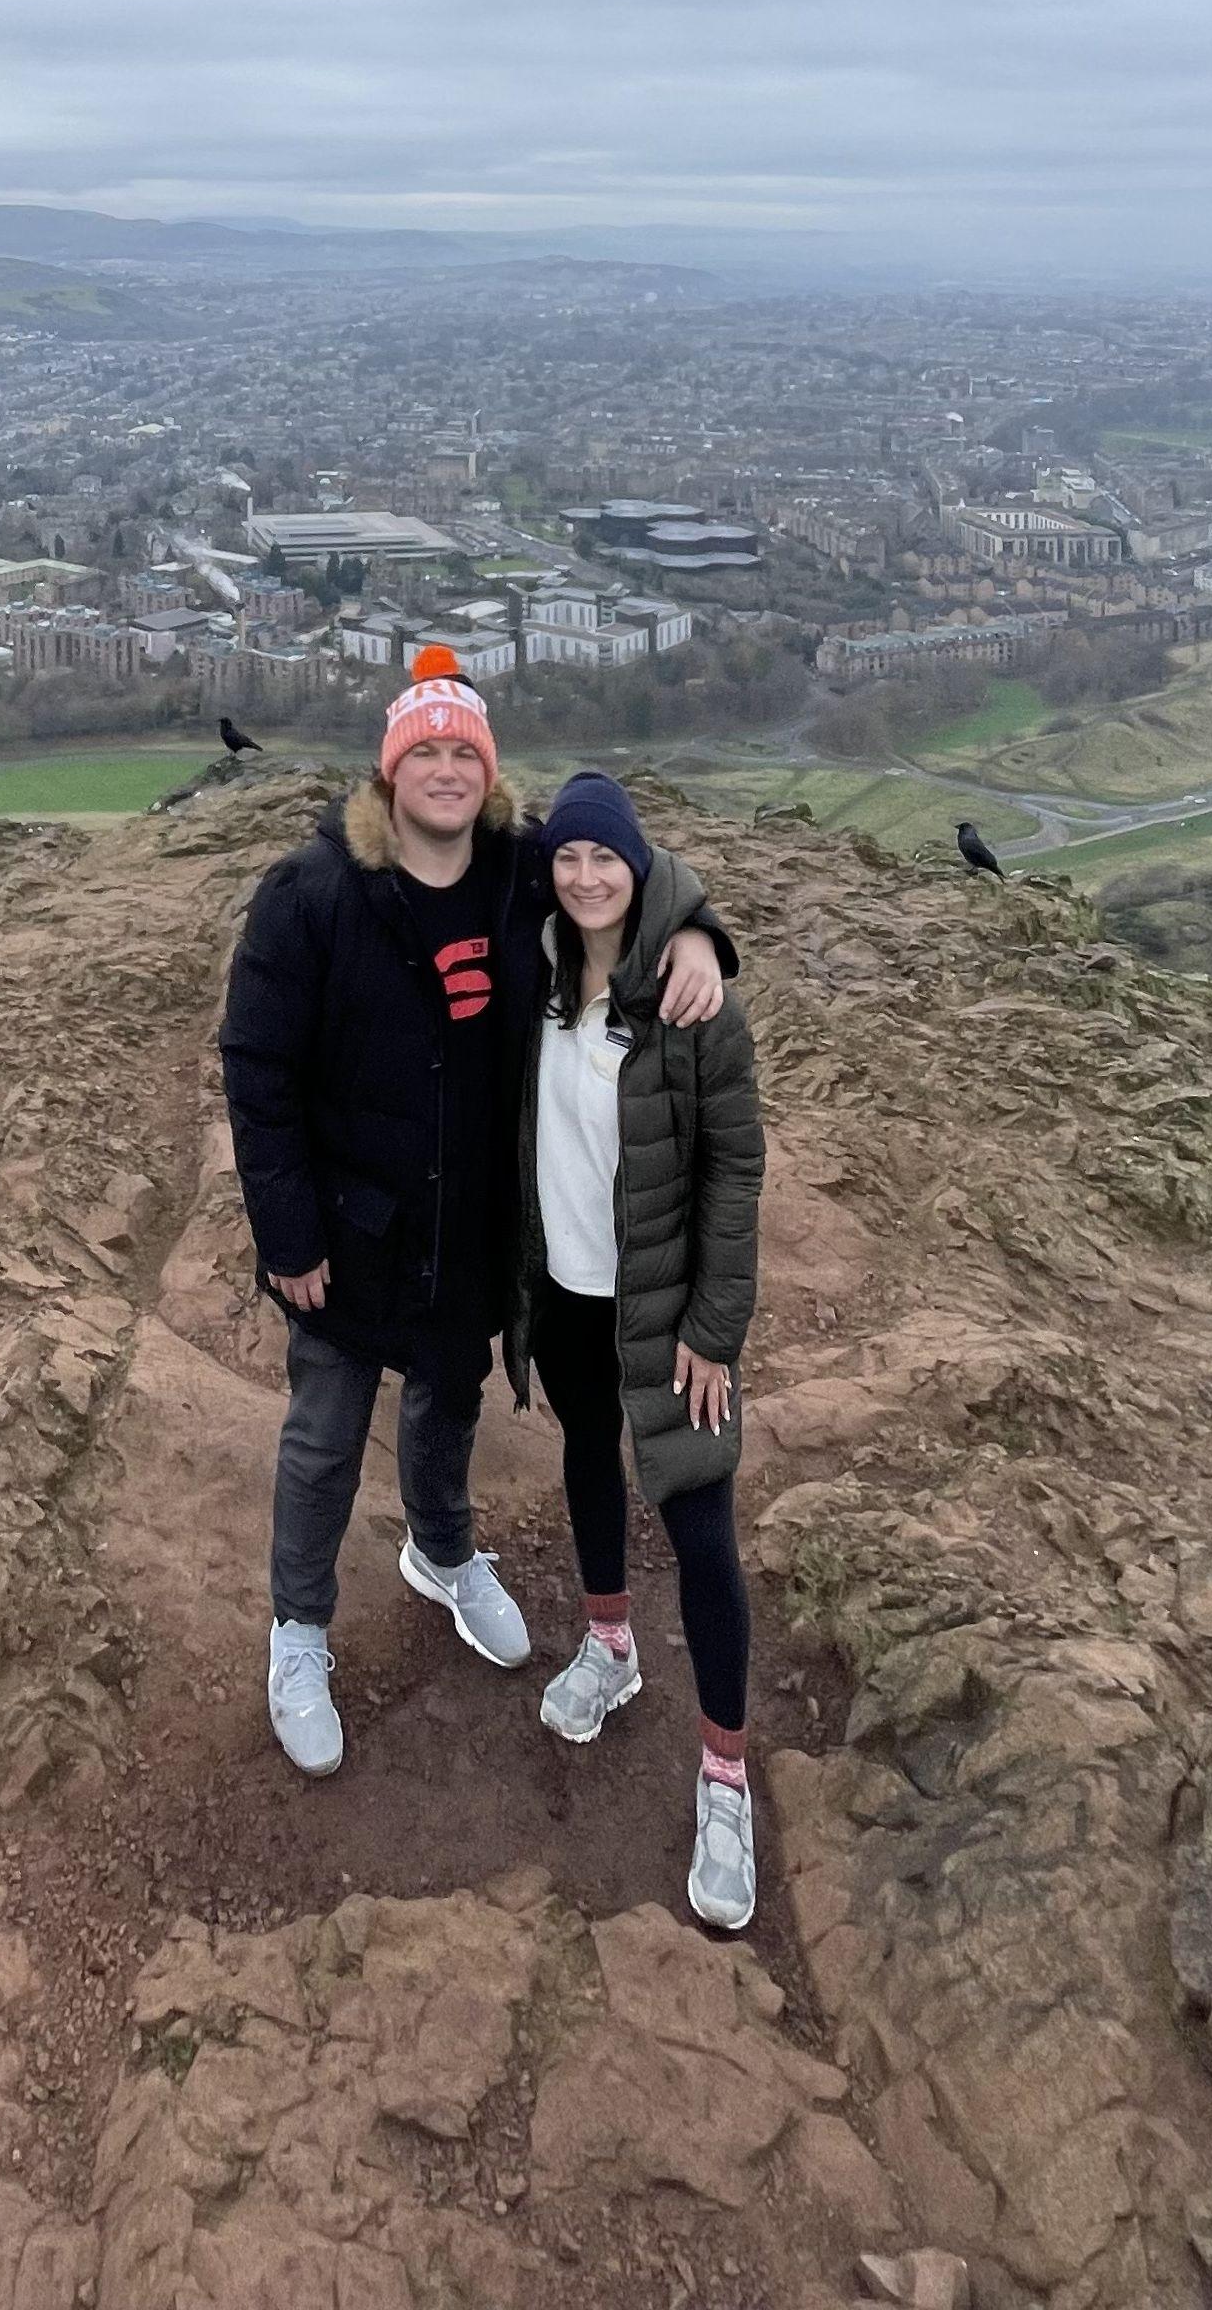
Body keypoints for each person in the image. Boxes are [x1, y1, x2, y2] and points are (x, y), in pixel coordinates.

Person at [218, 654, 724, 1777]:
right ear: (389, 772)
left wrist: (695, 934)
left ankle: (441, 1552)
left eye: (464, 753)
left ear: (486, 775)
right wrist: (287, 1231)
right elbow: (256, 1067)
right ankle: (298, 1631)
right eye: (424, 753)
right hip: (350, 1229)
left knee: (448, 1405)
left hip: (477, 1227)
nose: (445, 770)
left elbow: (627, 874)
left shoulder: (520, 870)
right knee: (325, 1437)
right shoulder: (313, 894)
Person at [504, 768, 770, 1934]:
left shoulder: (692, 997)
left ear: (640, 864)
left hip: (663, 1313)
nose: (585, 875)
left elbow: (736, 1168)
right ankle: (609, 1640)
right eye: (567, 858)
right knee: (584, 1457)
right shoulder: (542, 968)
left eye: (605, 856)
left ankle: (725, 1774)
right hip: (564, 1290)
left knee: (702, 1523)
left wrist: (715, 1331)